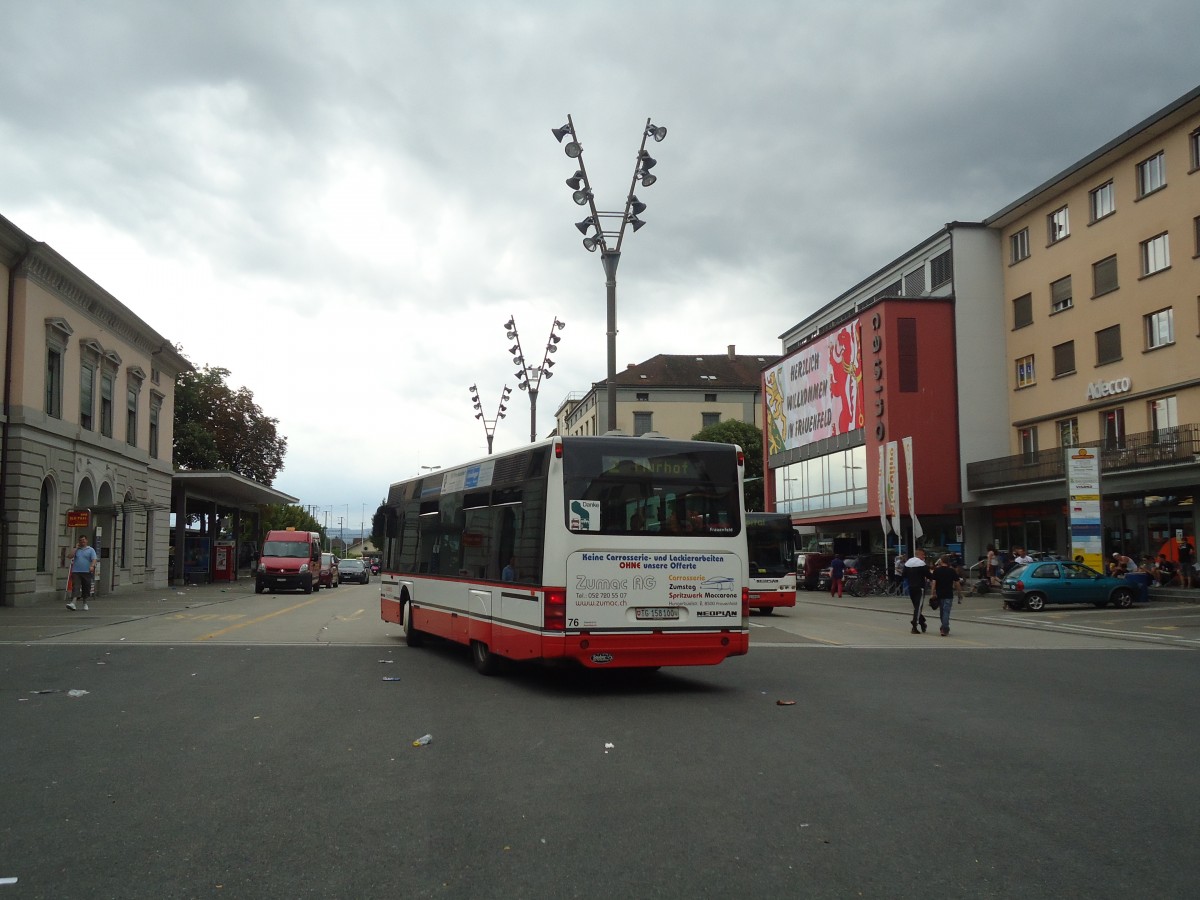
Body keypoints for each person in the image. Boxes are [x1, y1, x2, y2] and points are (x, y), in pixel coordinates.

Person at [930, 555, 962, 636]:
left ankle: (944, 627)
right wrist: (959, 594)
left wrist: (932, 593)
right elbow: (957, 583)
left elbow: (934, 583)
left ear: (941, 561)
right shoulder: (952, 571)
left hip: (939, 594)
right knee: (946, 612)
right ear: (948, 562)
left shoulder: (936, 571)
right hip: (948, 594)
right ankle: (945, 628)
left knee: (942, 612)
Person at [67, 535, 98, 611]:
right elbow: (69, 556)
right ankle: (73, 603)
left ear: (86, 541)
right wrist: (76, 548)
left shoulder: (90, 550)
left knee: (86, 587)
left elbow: (94, 559)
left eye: (84, 540)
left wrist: (92, 566)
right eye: (81, 540)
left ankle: (85, 602)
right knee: (76, 586)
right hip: (76, 571)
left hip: (86, 571)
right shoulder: (77, 550)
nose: (82, 542)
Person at [903, 549, 930, 634]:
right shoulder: (922, 564)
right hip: (920, 588)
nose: (924, 557)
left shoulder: (908, 563)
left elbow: (904, 575)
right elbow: (928, 575)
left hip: (911, 587)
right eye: (923, 555)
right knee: (918, 607)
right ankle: (915, 624)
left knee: (916, 607)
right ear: (918, 555)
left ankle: (922, 622)